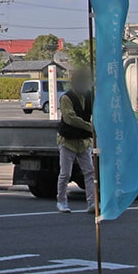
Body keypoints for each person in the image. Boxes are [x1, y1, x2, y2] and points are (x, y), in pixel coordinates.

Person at [57, 69, 97, 214]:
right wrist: (90, 127)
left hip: (84, 141)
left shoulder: (89, 96)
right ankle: (61, 201)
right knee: (65, 173)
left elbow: (96, 111)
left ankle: (92, 202)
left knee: (89, 172)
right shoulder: (66, 98)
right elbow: (70, 118)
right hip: (67, 140)